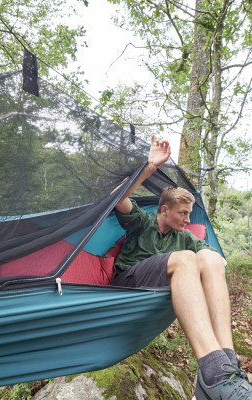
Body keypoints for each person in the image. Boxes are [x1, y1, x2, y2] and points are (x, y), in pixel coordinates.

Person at [111, 135, 252, 400]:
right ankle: (214, 372)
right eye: (183, 213)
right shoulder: (143, 223)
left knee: (208, 258)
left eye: (189, 213)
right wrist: (150, 166)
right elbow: (118, 198)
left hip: (161, 282)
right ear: (164, 210)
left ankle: (225, 368)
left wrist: (212, 265)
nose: (188, 219)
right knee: (185, 257)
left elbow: (215, 258)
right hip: (128, 282)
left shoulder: (184, 236)